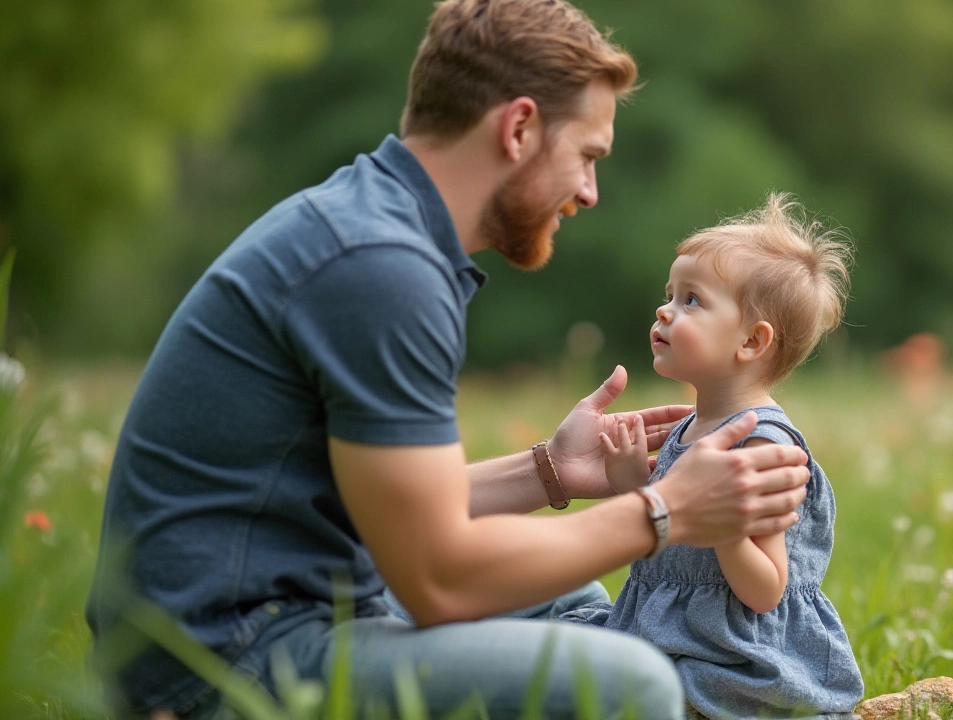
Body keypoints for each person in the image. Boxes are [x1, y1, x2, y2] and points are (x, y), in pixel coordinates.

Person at [85, 2, 812, 718]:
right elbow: (438, 579)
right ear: (519, 128)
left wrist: (549, 472)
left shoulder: (369, 224)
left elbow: (386, 507)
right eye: (586, 156)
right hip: (222, 665)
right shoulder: (383, 270)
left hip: (273, 603)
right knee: (636, 684)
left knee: (574, 601)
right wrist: (666, 509)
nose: (589, 192)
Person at [564, 193, 864, 719]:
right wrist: (637, 485)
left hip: (729, 656)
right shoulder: (691, 426)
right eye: (670, 295)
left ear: (751, 340)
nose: (665, 309)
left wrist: (726, 525)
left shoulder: (763, 445)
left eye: (691, 300)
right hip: (670, 632)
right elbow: (667, 533)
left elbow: (767, 588)